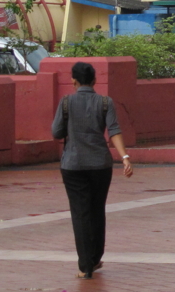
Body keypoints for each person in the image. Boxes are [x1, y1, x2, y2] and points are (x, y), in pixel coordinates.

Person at [52, 62, 134, 279]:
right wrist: (124, 157)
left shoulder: (66, 102)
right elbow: (114, 130)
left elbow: (56, 131)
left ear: (73, 80)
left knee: (80, 213)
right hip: (100, 164)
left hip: (73, 164)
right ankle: (95, 258)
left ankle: (84, 266)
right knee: (97, 210)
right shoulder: (106, 102)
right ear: (95, 80)